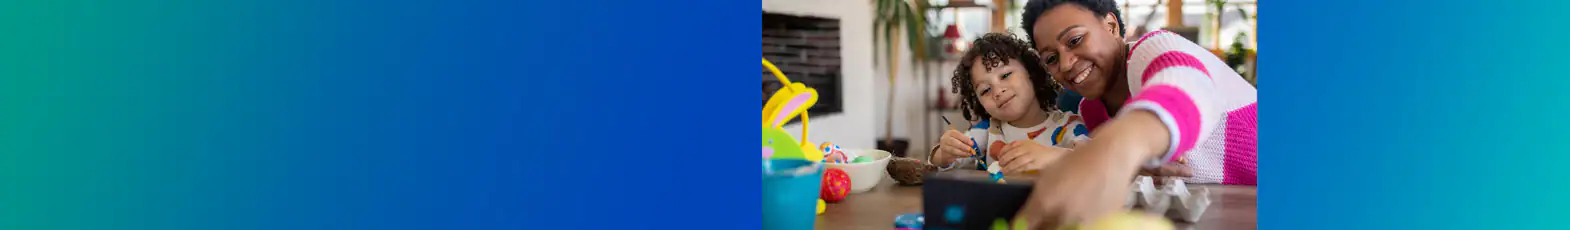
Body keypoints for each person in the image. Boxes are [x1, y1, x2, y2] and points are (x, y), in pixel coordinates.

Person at [1015, 0, 1258, 227]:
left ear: (1111, 26)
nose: (1066, 64)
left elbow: (1187, 87)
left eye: (1075, 40)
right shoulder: (1090, 111)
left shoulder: (1154, 49)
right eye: (1051, 58)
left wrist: (1117, 147)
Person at [928, 33, 1089, 174]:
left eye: (1005, 76)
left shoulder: (1069, 125)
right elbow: (945, 164)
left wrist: (1053, 156)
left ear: (1031, 72)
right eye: (985, 90)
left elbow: (1092, 160)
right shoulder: (986, 131)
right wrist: (944, 153)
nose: (997, 91)